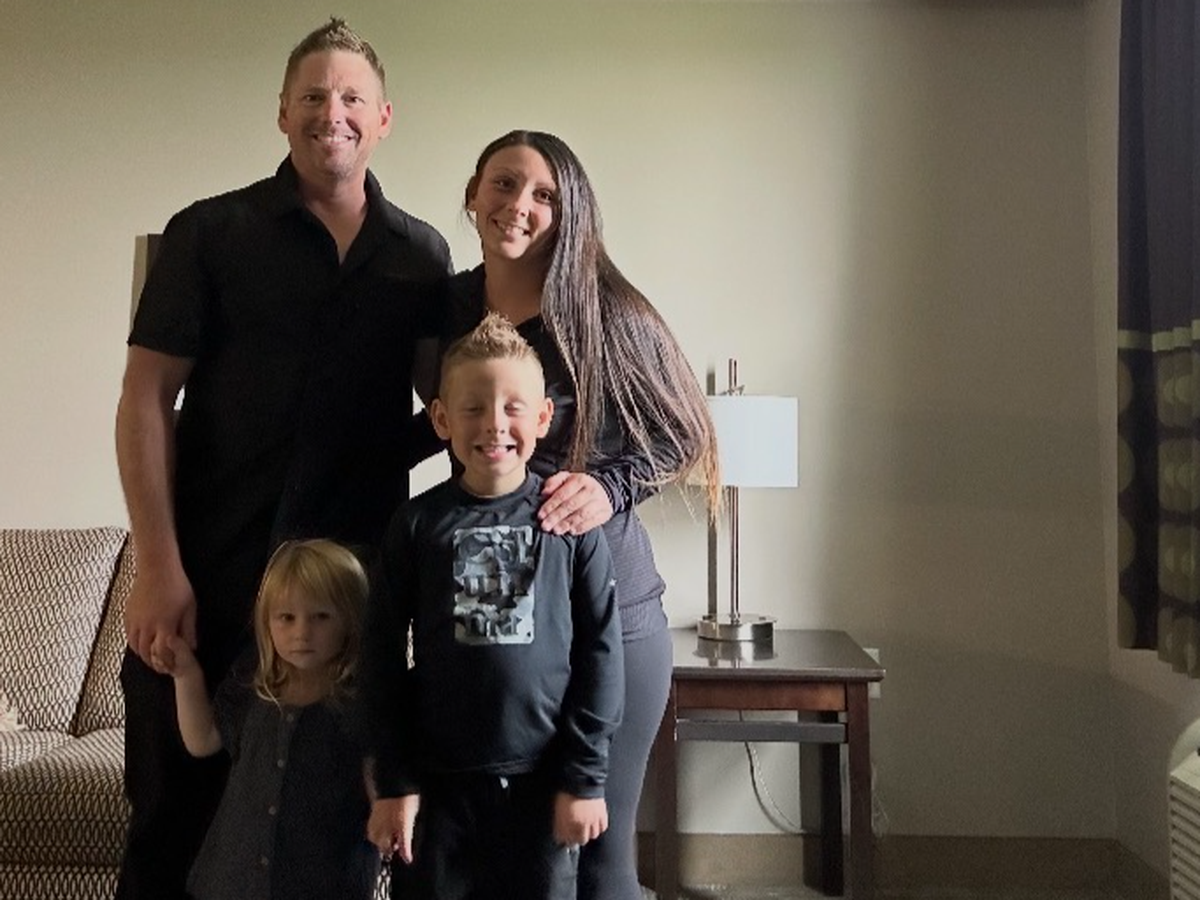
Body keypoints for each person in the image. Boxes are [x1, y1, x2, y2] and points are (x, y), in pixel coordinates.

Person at [113, 17, 450, 900]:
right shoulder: (207, 233)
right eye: (312, 95)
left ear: (383, 118)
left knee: (323, 851)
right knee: (168, 832)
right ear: (282, 112)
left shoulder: (421, 256)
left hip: (344, 613)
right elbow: (145, 399)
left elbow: (451, 411)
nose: (331, 112)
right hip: (205, 584)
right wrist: (156, 570)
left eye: (351, 98)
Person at [418, 130, 720, 900]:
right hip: (496, 614)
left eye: (544, 194)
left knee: (597, 861)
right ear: (472, 195)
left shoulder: (608, 311)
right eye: (503, 184)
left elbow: (685, 433)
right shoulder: (447, 306)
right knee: (504, 865)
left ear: (570, 211)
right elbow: (439, 419)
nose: (519, 205)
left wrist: (610, 486)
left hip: (606, 615)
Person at [361, 312, 625, 900]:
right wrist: (394, 782)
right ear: (441, 419)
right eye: (474, 408)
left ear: (543, 418)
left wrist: (585, 778)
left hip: (543, 784)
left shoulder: (570, 527)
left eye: (512, 408)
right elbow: (379, 657)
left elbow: (601, 654)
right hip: (437, 791)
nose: (494, 424)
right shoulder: (416, 525)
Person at [151, 539, 376, 900]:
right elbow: (202, 740)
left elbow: (380, 779)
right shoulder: (252, 686)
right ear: (267, 621)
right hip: (233, 879)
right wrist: (186, 675)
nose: (302, 632)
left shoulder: (361, 702)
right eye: (286, 618)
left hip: (324, 879)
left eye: (321, 617)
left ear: (350, 620)